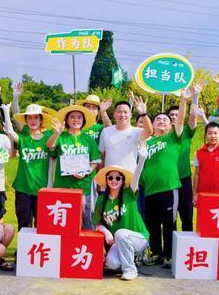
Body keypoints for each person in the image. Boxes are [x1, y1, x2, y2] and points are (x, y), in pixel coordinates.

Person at [141, 88, 190, 268]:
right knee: (152, 224)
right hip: (150, 189)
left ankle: (170, 255)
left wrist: (184, 100)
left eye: (165, 120)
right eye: (158, 119)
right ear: (152, 125)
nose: (162, 121)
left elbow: (182, 120)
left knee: (169, 224)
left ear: (170, 125)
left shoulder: (173, 138)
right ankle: (156, 253)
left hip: (169, 188)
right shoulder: (147, 142)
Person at [94, 142, 149, 281]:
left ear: (122, 181)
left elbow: (136, 176)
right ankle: (129, 259)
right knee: (111, 264)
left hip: (139, 238)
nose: (114, 180)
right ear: (106, 180)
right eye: (110, 177)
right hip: (119, 243)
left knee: (121, 233)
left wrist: (141, 159)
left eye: (118, 178)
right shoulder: (101, 200)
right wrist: (105, 231)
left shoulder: (128, 193)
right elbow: (98, 222)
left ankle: (131, 270)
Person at [47, 105, 101, 229]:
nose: (76, 120)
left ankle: (87, 247)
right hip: (63, 186)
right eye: (72, 117)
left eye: (79, 117)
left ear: (83, 120)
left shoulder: (88, 139)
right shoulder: (61, 136)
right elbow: (50, 146)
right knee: (66, 223)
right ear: (66, 120)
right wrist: (57, 133)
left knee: (86, 221)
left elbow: (95, 161)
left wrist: (85, 172)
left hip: (83, 187)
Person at [2, 103, 54, 229]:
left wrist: (57, 132)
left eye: (36, 117)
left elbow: (54, 146)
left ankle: (38, 248)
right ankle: (23, 249)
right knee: (23, 222)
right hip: (23, 188)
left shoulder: (48, 137)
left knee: (41, 223)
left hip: (42, 189)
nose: (33, 121)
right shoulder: (23, 139)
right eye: (29, 118)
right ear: (25, 121)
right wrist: (6, 110)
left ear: (41, 120)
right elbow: (10, 131)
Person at [168, 83, 202, 232]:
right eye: (172, 116)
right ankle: (171, 251)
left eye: (177, 115)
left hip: (184, 179)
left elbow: (192, 118)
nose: (175, 118)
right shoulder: (163, 136)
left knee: (187, 216)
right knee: (171, 218)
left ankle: (187, 249)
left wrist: (195, 96)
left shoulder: (187, 133)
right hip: (168, 181)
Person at [99, 95, 153, 172]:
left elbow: (149, 131)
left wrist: (143, 114)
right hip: (110, 179)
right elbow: (102, 156)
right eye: (119, 112)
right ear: (114, 115)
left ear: (130, 115)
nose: (122, 115)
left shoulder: (136, 131)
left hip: (130, 178)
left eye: (125, 112)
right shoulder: (106, 132)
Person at [192, 121, 219, 205]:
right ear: (206, 135)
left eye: (215, 133)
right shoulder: (199, 153)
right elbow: (196, 174)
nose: (213, 136)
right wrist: (194, 194)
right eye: (209, 133)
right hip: (205, 193)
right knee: (206, 217)